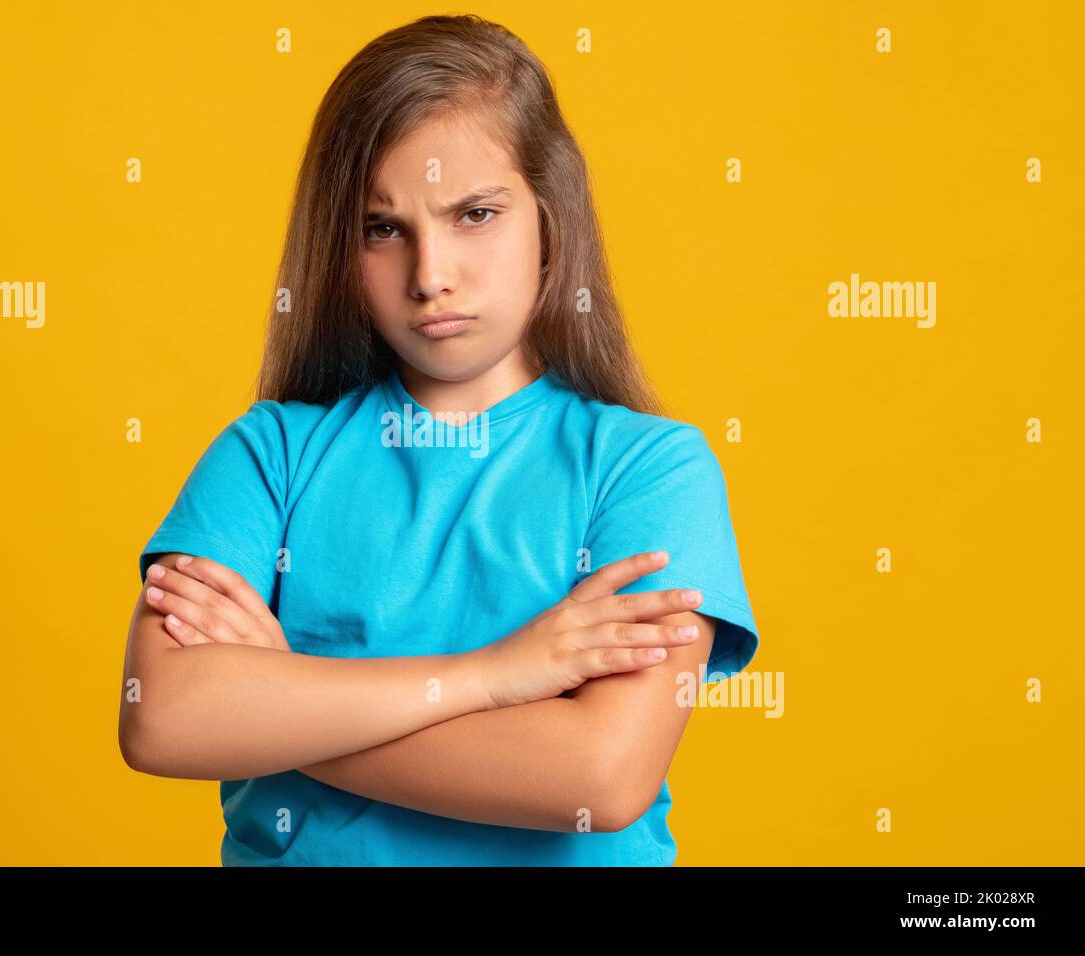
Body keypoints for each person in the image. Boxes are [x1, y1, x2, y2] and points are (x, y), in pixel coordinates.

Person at [118, 13, 759, 866]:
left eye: (475, 214)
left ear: (550, 221)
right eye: (385, 228)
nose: (430, 276)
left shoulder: (649, 470)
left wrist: (279, 708)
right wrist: (491, 676)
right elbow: (164, 720)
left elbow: (597, 780)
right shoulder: (267, 456)